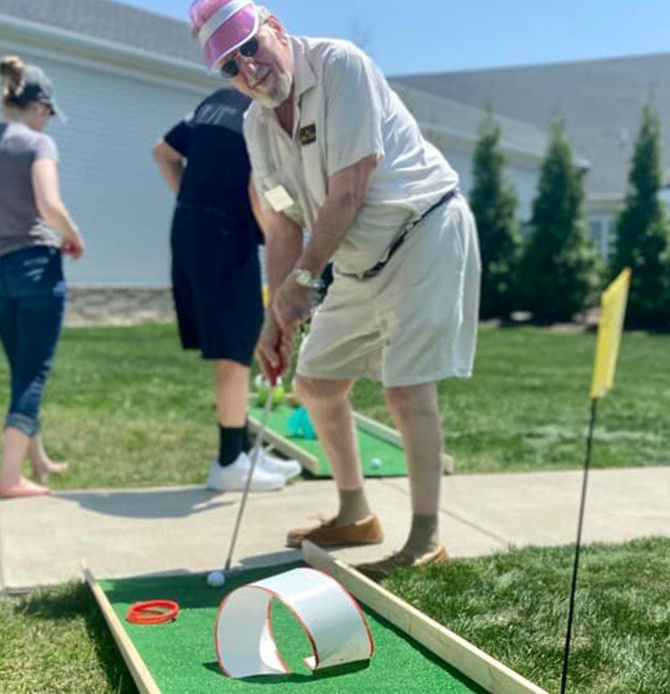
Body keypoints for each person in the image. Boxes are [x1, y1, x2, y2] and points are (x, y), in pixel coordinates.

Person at [188, 2, 481, 579]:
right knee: (316, 383)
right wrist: (276, 311)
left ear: (274, 25)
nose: (248, 68)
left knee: (406, 390)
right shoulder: (255, 125)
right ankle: (355, 514)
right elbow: (279, 224)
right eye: (229, 65)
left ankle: (424, 539)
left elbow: (349, 189)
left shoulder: (342, 66)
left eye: (250, 45)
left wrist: (302, 281)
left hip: (422, 231)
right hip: (352, 260)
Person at [152, 88, 300, 492]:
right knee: (235, 351)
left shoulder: (215, 101)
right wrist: (281, 235)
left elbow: (163, 153)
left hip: (190, 229)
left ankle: (245, 449)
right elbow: (259, 190)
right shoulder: (265, 115)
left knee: (243, 337)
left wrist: (193, 200)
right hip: (224, 235)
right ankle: (228, 463)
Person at [0, 56, 84, 498]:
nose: (48, 123)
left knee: (21, 367)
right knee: (34, 371)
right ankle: (10, 478)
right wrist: (73, 235)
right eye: (49, 115)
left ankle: (37, 459)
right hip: (34, 264)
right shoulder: (36, 144)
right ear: (38, 105)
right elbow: (49, 206)